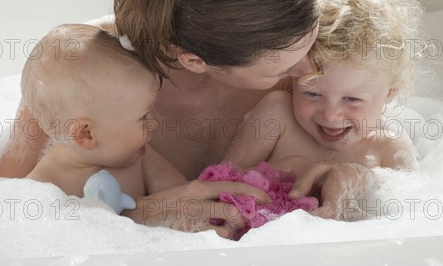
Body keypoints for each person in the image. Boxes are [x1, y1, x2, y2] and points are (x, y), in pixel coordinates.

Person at [0, 0, 365, 232]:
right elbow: (6, 211)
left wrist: (354, 175)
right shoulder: (82, 72)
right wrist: (138, 215)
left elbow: (385, 154)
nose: (310, 72)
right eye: (284, 67)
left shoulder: (290, 39)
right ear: (193, 60)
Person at [21, 24, 268, 237]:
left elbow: (181, 193)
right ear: (86, 134)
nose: (154, 124)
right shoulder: (42, 187)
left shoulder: (139, 155)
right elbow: (49, 246)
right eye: (142, 117)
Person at [223, 0, 423, 218]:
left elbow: (413, 218)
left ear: (389, 93)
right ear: (292, 76)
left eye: (352, 99)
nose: (330, 114)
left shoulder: (389, 146)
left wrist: (365, 180)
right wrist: (286, 169)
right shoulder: (277, 115)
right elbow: (220, 181)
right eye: (312, 93)